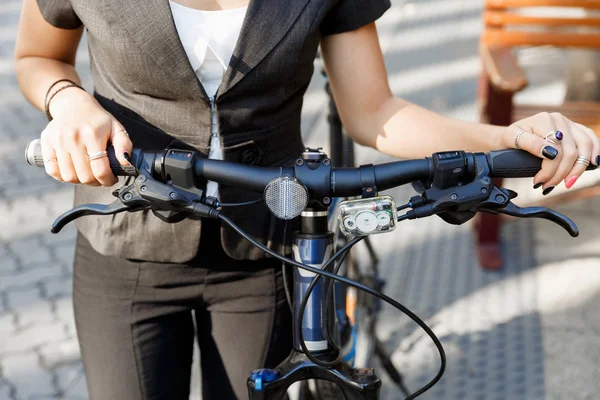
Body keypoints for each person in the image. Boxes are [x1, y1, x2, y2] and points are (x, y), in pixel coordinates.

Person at [15, 0, 599, 399]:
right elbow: (37, 56)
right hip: (125, 242)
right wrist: (68, 102)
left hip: (265, 249)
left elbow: (374, 112)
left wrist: (506, 140)